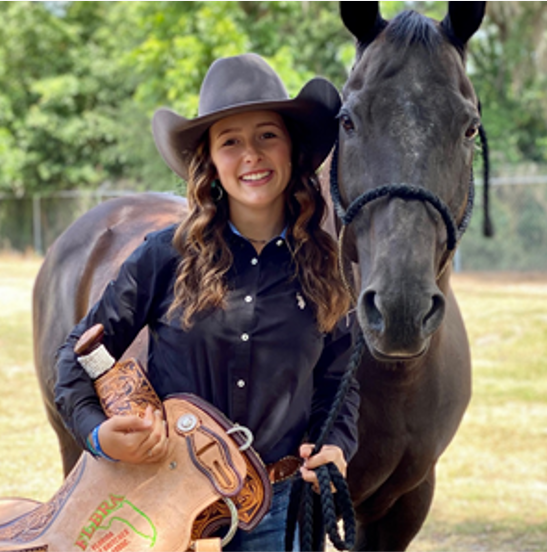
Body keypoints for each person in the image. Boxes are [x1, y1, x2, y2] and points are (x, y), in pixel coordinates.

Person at [54, 53, 359, 551]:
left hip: (282, 511)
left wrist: (336, 445)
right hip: (167, 506)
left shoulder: (326, 267)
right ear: (211, 162)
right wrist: (97, 434)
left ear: (291, 150)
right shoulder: (164, 257)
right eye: (230, 142)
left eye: (267, 135)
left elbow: (338, 383)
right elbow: (75, 354)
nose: (251, 156)